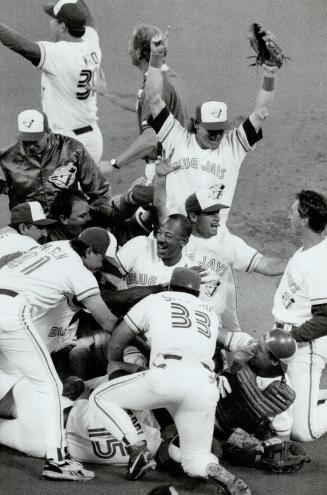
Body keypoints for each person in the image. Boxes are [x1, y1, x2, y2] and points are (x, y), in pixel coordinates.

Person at [90, 267, 252, 495]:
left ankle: (138, 449)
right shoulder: (208, 311)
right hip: (204, 385)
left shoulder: (156, 300)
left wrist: (114, 364)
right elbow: (234, 343)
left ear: (169, 286)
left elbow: (118, 340)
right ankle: (213, 468)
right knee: (194, 459)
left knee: (101, 398)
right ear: (196, 293)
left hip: (166, 375)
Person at [0, 227, 118, 481]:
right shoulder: (79, 270)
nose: (101, 266)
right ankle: (58, 460)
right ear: (88, 251)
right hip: (9, 310)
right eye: (102, 260)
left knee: (7, 372)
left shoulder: (57, 246)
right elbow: (108, 322)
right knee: (49, 385)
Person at [0, 0, 104, 163]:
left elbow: (21, 46)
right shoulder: (91, 44)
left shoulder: (58, 54)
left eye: (53, 19)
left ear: (62, 26)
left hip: (68, 145)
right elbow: (90, 22)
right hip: (93, 140)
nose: (50, 22)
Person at [183, 190, 287, 328]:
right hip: (178, 316)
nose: (217, 218)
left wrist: (303, 260)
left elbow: (267, 265)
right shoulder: (177, 238)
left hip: (210, 323)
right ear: (193, 217)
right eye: (210, 213)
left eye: (217, 212)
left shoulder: (228, 243)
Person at [271, 190, 327, 442]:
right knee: (281, 415)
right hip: (286, 340)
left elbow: (325, 318)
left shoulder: (320, 261)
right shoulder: (305, 250)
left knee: (302, 432)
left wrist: (291, 337)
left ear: (304, 219)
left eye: (292, 212)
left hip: (305, 347)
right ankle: (316, 394)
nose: (288, 216)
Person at [108, 24, 188, 183]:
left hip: (165, 171)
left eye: (131, 44)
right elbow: (143, 104)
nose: (127, 49)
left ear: (138, 52)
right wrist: (107, 93)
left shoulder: (157, 88)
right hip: (178, 166)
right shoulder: (169, 77)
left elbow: (150, 139)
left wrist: (113, 164)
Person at [0, 109, 110, 213]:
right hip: (29, 226)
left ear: (48, 132)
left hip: (67, 223)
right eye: (25, 141)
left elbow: (100, 191)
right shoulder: (6, 157)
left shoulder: (72, 149)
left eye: (34, 141)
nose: (30, 147)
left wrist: (86, 216)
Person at [115, 214, 193, 287]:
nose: (160, 239)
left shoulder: (188, 270)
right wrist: (117, 282)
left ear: (183, 242)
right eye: (159, 233)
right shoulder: (140, 244)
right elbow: (106, 272)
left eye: (168, 236)